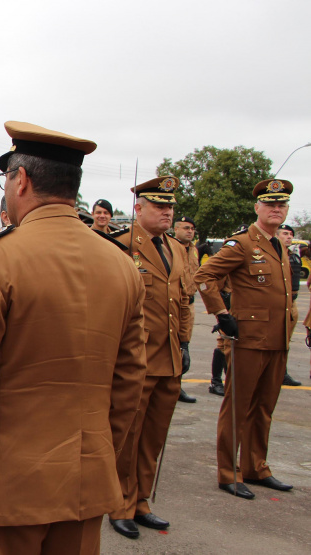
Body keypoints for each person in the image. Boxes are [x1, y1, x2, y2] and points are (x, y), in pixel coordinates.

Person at [0, 121, 146, 554]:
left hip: (6, 490)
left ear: (21, 180)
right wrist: (99, 458)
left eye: (6, 179)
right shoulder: (122, 265)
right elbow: (128, 386)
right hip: (87, 486)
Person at [194, 178, 296, 500]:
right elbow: (204, 275)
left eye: (281, 204)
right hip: (249, 338)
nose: (276, 209)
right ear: (257, 208)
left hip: (278, 339)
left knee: (264, 407)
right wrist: (222, 314)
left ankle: (256, 467)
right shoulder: (241, 244)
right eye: (270, 204)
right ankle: (228, 472)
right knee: (238, 407)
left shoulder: (280, 245)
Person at [106, 176, 192, 539]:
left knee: (153, 439)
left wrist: (185, 343)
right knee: (126, 438)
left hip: (169, 360)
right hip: (135, 362)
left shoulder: (178, 248)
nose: (167, 213)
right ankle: (120, 505)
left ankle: (142, 501)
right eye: (159, 206)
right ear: (138, 209)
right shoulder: (119, 246)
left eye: (170, 207)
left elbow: (183, 301)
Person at [172, 215, 199, 404]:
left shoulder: (194, 250)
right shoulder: (170, 248)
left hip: (189, 303)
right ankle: (171, 386)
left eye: (192, 228)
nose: (190, 231)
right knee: (172, 346)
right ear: (176, 229)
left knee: (184, 346)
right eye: (186, 228)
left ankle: (177, 385)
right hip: (174, 303)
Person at [276, 223, 302, 387]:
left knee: (286, 341)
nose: (289, 237)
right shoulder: (274, 255)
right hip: (277, 304)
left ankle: (282, 373)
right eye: (285, 233)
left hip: (292, 303)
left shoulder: (294, 256)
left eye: (291, 234)